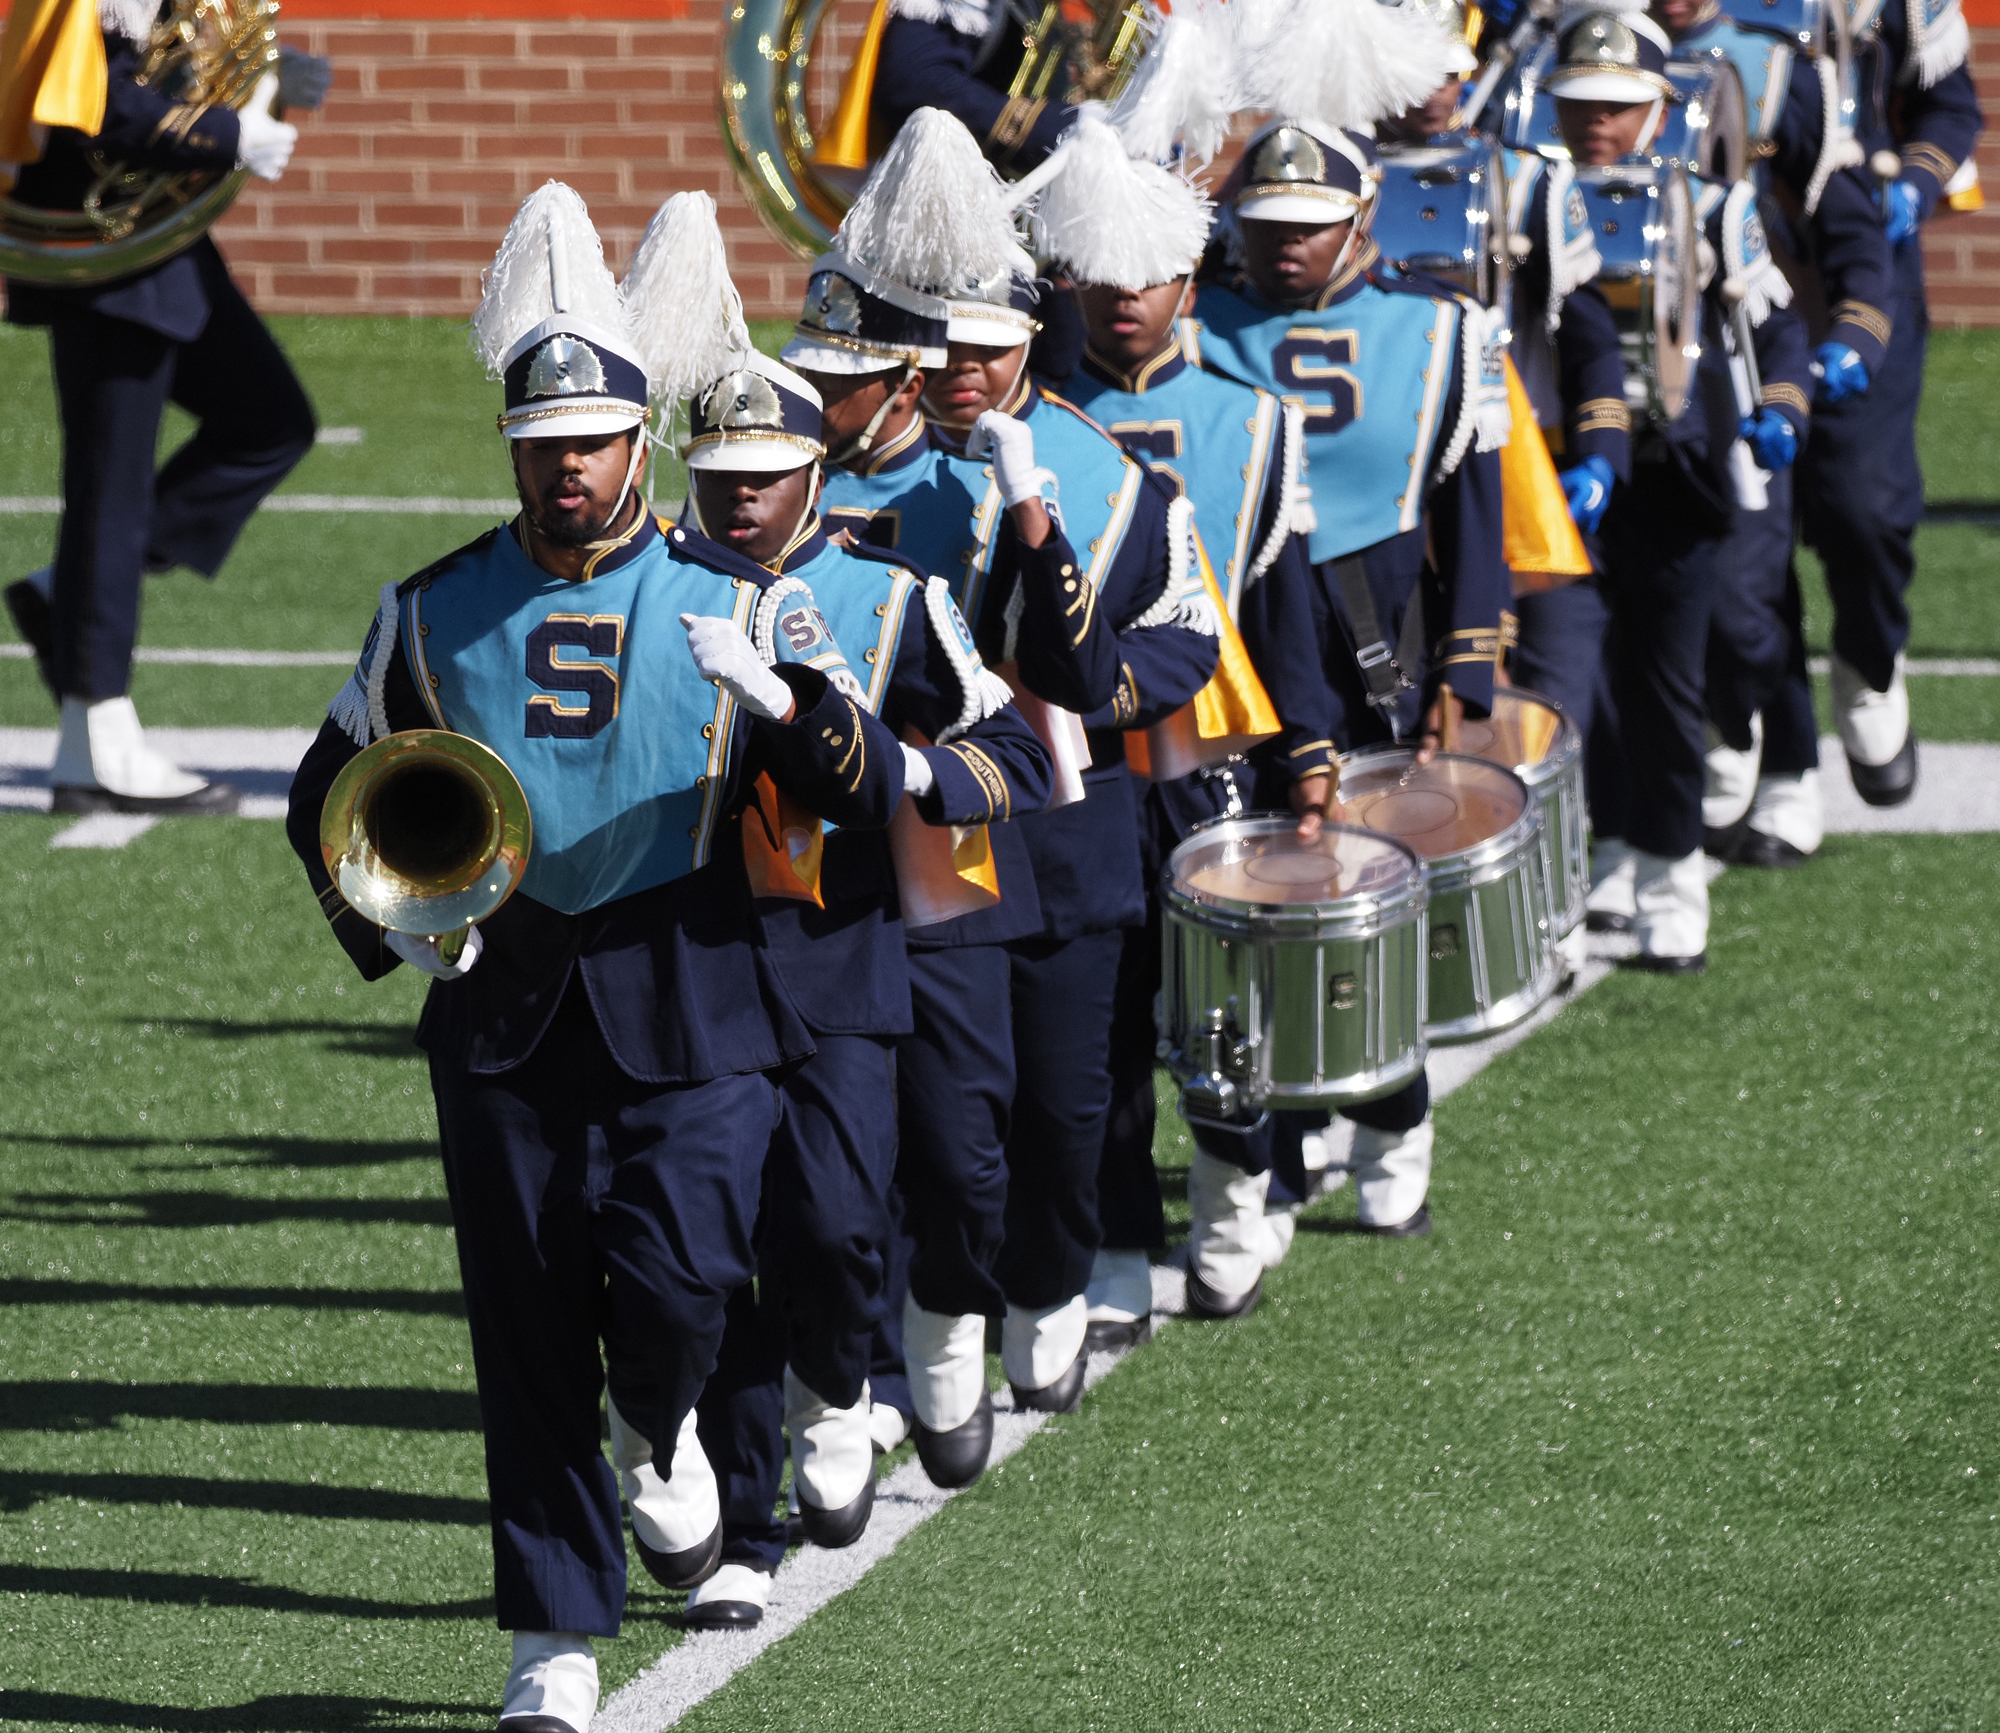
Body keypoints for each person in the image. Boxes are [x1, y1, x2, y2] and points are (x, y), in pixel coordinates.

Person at [284, 184, 913, 1733]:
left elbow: (869, 786)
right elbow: (331, 793)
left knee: (688, 1272)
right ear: (514, 453)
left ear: (643, 445)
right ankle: (550, 1639)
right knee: (525, 1321)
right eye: (540, 446)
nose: (566, 470)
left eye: (592, 443)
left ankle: (674, 1428)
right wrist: (394, 920)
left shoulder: (746, 594)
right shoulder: (429, 607)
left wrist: (788, 700)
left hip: (697, 979)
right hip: (504, 992)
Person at [809, 108, 1219, 1481]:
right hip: (941, 835)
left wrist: (1096, 687)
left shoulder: (1113, 481)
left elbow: (1189, 637)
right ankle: (930, 1333)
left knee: (1070, 1114)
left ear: (1032, 341)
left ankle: (1046, 1281)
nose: (967, 374)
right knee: (952, 1123)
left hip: (1077, 829)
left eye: (989, 350)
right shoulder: (881, 472)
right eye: (946, 352)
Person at [671, 339, 1052, 1631]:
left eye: (768, 472)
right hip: (686, 960)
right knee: (715, 1248)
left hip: (842, 950)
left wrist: (909, 775)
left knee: (835, 1224)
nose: (741, 496)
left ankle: (838, 1388)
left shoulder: (889, 597)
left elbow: (1014, 757)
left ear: (817, 469)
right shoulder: (641, 587)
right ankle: (738, 1520)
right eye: (720, 470)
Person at [1187, 103, 1511, 1305]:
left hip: (1377, 630)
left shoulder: (1441, 328)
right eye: (1265, 224)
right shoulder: (1195, 317)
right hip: (1231, 635)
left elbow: (1475, 509)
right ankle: (1262, 1147)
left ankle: (1390, 1121)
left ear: (1362, 220)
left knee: (1371, 897)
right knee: (1241, 896)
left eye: (1309, 227)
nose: (1282, 247)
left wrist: (1467, 668)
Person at [1038, 108, 1324, 1348]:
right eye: (1097, 279)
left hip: (1210, 764)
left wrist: (1304, 749)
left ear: (1189, 279)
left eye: (1146, 277)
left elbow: (1282, 604)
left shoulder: (1255, 421)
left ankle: (1229, 1190)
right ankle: (1112, 1232)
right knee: (1099, 1010)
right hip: (1084, 763)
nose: (1121, 301)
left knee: (1217, 1002)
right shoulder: (1035, 422)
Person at [3, 0, 323, 813]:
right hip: (107, 251)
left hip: (156, 244)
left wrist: (262, 86)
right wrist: (229, 135)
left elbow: (154, 70)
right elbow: (96, 107)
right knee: (108, 496)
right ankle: (97, 743)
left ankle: (63, 596)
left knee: (270, 419)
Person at [1544, 6, 1811, 967]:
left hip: (1673, 473)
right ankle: (1607, 852)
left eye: (1617, 105)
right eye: (1579, 105)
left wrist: (1780, 406)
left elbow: (1777, 326)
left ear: (1662, 107)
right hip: (1554, 475)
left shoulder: (1714, 204)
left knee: (1663, 680)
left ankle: (1672, 870)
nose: (1596, 124)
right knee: (1578, 683)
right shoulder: (1531, 195)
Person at [1649, 0, 1893, 862]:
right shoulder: (1558, 62)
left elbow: (1840, 214)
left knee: (1755, 577)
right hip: (1599, 368)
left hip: (1743, 347)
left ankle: (1776, 747)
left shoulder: (1779, 67)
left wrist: (1855, 326)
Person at [1790, 0, 1982, 808]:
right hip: (1707, 267)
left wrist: (1918, 175)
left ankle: (1870, 661)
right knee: (1734, 528)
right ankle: (1771, 763)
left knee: (1866, 506)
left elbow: (1948, 99)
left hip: (1856, 256)